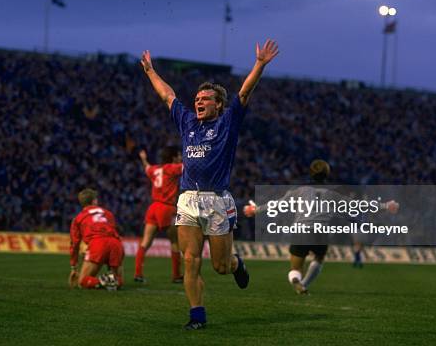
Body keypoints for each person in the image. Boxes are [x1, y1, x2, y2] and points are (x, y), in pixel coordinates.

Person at [141, 39, 279, 329]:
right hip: (188, 200)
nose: (198, 102)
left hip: (218, 201)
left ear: (218, 104)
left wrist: (260, 64)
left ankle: (236, 263)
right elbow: (168, 96)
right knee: (190, 260)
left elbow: (244, 92)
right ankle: (197, 316)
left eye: (205, 99)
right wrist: (151, 72)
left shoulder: (228, 122)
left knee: (220, 266)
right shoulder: (188, 123)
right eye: (197, 99)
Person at [244, 160, 399, 295]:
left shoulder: (299, 191)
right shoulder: (333, 194)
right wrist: (385, 205)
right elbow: (358, 205)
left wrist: (255, 210)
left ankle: (297, 280)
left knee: (295, 267)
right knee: (319, 258)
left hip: (301, 230)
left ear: (311, 173)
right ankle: (304, 284)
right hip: (320, 232)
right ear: (327, 174)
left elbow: (277, 204)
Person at [134, 147, 184, 283]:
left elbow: (147, 167)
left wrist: (143, 159)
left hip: (153, 207)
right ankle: (176, 276)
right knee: (175, 242)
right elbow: (189, 166)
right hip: (167, 207)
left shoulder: (155, 169)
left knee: (146, 241)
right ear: (173, 158)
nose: (181, 157)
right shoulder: (173, 168)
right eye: (179, 155)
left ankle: (138, 273)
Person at [69, 188, 124, 290]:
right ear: (94, 201)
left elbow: (74, 244)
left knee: (82, 282)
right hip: (116, 243)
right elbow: (113, 231)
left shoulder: (77, 218)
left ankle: (102, 281)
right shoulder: (108, 213)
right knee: (118, 281)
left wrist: (74, 267)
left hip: (97, 244)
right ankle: (112, 280)